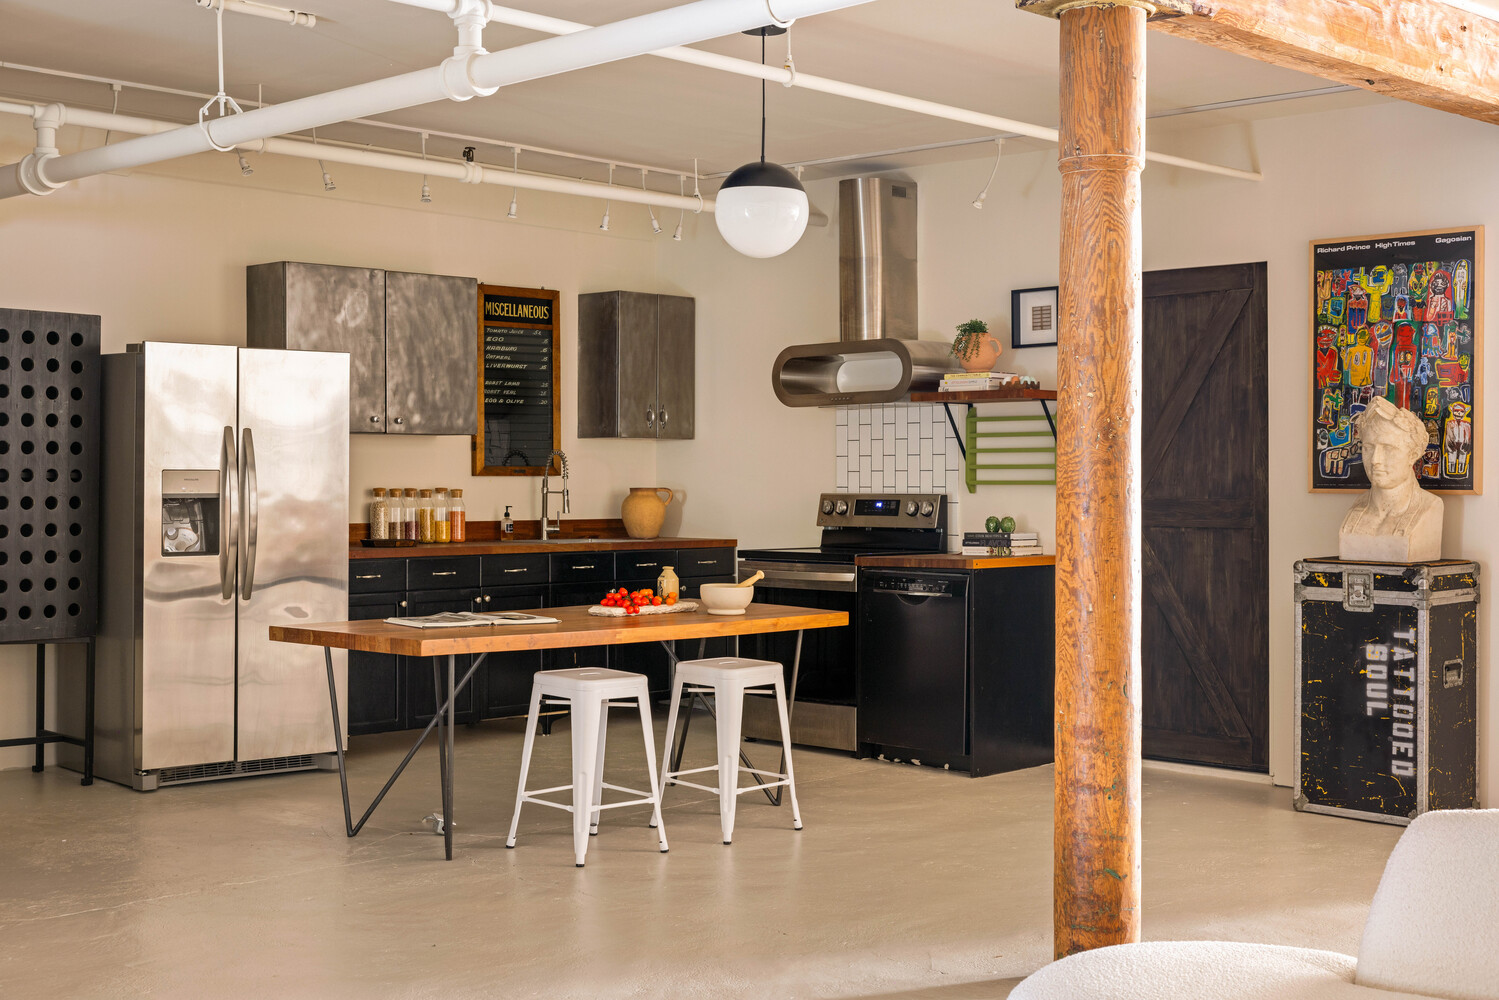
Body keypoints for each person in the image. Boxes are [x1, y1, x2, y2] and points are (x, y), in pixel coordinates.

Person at [1339, 397, 1443, 562]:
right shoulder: (1356, 509)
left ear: (1413, 455)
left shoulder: (1430, 507)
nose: (1375, 460)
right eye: (1368, 448)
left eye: (1388, 448)